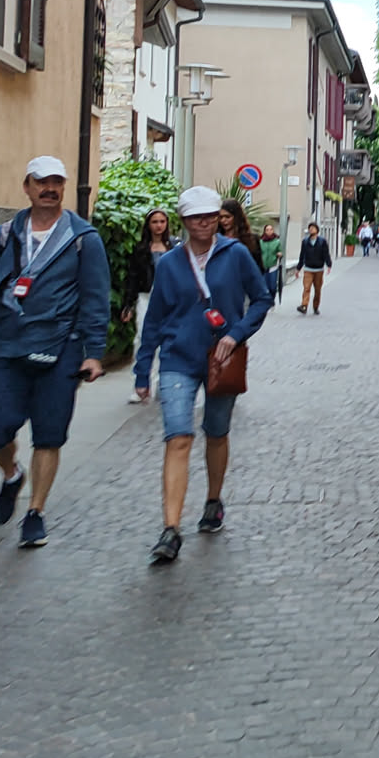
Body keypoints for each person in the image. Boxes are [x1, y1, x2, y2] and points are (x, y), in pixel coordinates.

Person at [0, 155, 111, 550]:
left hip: (61, 349)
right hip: (7, 348)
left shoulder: (83, 239)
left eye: (57, 182)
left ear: (64, 187)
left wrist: (93, 352)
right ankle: (12, 474)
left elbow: (96, 298)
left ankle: (35, 513)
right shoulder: (3, 237)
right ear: (27, 186)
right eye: (41, 181)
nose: (50, 189)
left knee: (49, 435)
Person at [134, 184, 274, 563]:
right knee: (178, 437)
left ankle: (213, 499)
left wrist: (235, 334)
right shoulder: (169, 263)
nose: (203, 223)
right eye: (196, 217)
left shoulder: (236, 254)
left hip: (222, 358)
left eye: (210, 216)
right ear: (183, 220)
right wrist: (143, 370)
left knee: (216, 431)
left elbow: (262, 298)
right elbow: (154, 320)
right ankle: (171, 529)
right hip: (177, 359)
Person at [120, 208, 174, 404]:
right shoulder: (141, 249)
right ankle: (141, 383)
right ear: (148, 225)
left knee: (167, 341)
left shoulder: (174, 247)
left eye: (162, 221)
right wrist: (128, 304)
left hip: (169, 300)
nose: (159, 225)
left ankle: (162, 384)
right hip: (146, 297)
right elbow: (132, 278)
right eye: (155, 222)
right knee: (143, 338)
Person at [297, 221, 332, 313]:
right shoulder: (305, 242)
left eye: (313, 228)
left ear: (317, 230)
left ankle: (315, 307)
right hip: (308, 269)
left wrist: (329, 265)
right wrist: (298, 268)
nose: (311, 229)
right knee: (306, 288)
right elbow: (302, 255)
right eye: (310, 228)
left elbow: (326, 254)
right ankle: (304, 306)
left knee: (317, 290)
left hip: (319, 269)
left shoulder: (322, 241)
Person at [220, 201, 263, 267]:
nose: (223, 220)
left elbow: (258, 266)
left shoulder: (252, 239)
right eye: (221, 217)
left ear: (236, 217)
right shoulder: (216, 239)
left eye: (227, 217)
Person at [259, 222, 283, 301]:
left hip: (273, 266)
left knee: (272, 287)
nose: (269, 231)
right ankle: (266, 302)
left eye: (271, 229)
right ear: (264, 231)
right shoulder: (260, 241)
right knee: (264, 287)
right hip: (263, 267)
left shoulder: (277, 241)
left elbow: (280, 251)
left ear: (273, 231)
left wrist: (280, 254)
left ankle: (272, 299)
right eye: (267, 230)